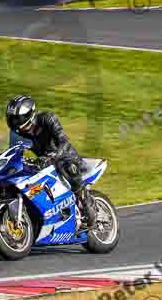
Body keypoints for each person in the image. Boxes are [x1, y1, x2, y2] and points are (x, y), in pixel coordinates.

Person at [6, 95, 98, 229]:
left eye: (17, 118)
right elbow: (13, 152)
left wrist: (53, 156)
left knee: (69, 167)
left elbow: (63, 141)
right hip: (44, 163)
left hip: (66, 157)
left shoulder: (47, 119)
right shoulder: (17, 133)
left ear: (28, 115)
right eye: (11, 118)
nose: (14, 121)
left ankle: (86, 203)